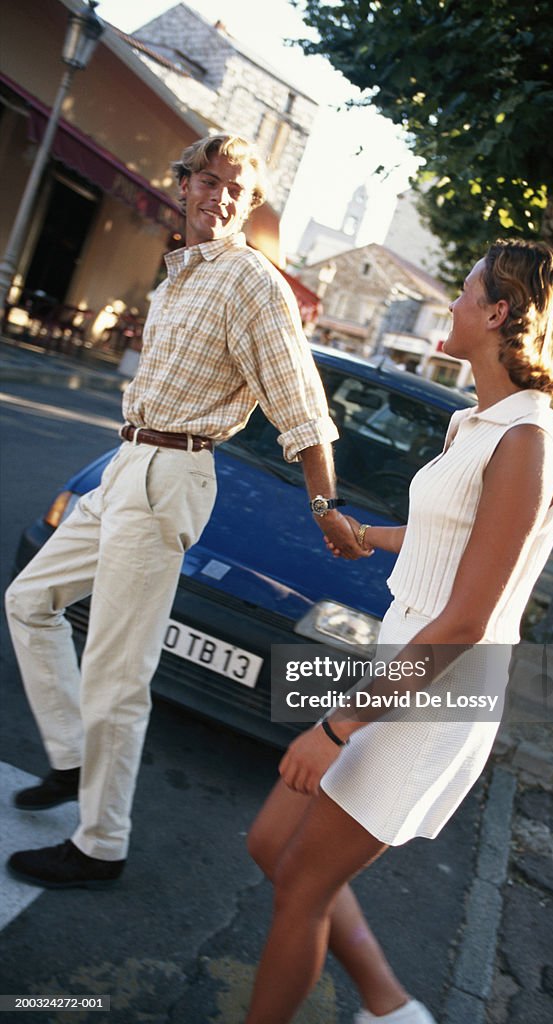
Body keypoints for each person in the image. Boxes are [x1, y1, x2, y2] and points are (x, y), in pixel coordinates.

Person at [244, 239, 553, 1024]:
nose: (452, 303)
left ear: (499, 314)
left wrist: (337, 725)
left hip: (437, 692)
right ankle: (389, 1005)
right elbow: (454, 536)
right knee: (274, 844)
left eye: (465, 292)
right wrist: (369, 534)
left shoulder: (526, 443)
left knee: (300, 884)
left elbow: (468, 617)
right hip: (401, 663)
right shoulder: (477, 422)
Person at [5, 133, 365, 890]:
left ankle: (100, 843)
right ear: (185, 182)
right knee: (30, 601)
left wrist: (326, 506)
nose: (223, 197)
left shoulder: (249, 282)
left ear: (248, 203)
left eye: (238, 189)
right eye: (211, 180)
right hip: (129, 464)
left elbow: (300, 407)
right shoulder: (178, 278)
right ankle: (74, 760)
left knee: (116, 671)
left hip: (172, 471)